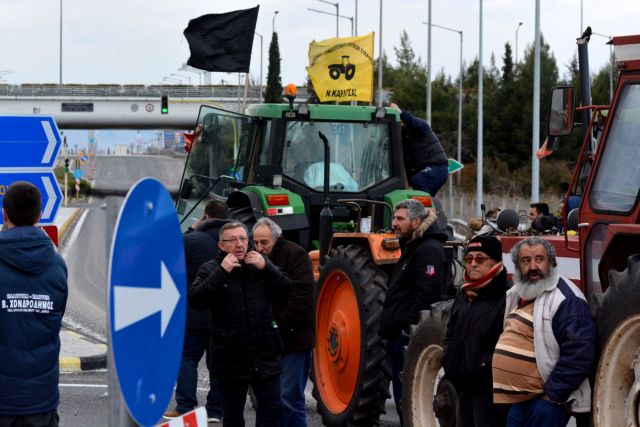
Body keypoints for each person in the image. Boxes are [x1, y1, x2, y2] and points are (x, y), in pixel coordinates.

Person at [188, 221, 293, 427]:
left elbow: (288, 288)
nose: (239, 244)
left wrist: (267, 268)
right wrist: (221, 271)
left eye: (243, 238)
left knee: (271, 410)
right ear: (221, 245)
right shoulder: (211, 268)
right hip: (230, 356)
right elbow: (195, 300)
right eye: (232, 240)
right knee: (233, 416)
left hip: (264, 354)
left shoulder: (260, 263)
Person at [493, 236, 596, 427]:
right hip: (520, 401)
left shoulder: (566, 299)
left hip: (546, 402)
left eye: (539, 259)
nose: (533, 267)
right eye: (526, 261)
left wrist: (552, 395)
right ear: (518, 265)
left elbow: (580, 353)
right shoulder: (516, 294)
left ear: (551, 262)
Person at [0, 181, 68, 426]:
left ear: (4, 213)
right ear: (39, 215)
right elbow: (55, 320)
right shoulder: (58, 266)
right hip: (41, 399)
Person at [378, 198, 448, 423]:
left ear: (416, 222)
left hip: (407, 337)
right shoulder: (413, 247)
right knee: (401, 398)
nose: (394, 223)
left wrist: (406, 330)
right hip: (400, 334)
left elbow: (429, 295)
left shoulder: (429, 250)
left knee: (406, 399)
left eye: (400, 219)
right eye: (394, 218)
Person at [164, 200, 228, 422]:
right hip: (222, 315)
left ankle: (185, 406)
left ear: (206, 216)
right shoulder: (232, 241)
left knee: (188, 358)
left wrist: (193, 228)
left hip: (194, 313)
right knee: (217, 363)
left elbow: (169, 256)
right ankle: (216, 410)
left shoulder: (191, 240)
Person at [251, 218, 315, 427]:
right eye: (256, 242)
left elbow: (302, 297)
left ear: (276, 239)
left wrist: (278, 327)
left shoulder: (295, 255)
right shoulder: (255, 260)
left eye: (264, 243)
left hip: (293, 339)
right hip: (268, 340)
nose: (259, 248)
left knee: (290, 398)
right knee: (272, 400)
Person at [442, 235, 510, 427]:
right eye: (468, 259)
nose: (472, 264)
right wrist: (449, 359)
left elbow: (507, 344)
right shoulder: (464, 293)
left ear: (496, 262)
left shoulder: (506, 297)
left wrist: (481, 368)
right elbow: (450, 334)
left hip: (489, 392)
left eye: (480, 259)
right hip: (462, 387)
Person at [390, 103, 449, 196]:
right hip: (428, 171)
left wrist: (400, 113)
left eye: (401, 121)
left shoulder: (420, 125)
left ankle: (424, 209)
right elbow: (407, 162)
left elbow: (415, 123)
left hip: (438, 168)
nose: (399, 125)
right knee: (421, 193)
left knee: (418, 181)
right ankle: (429, 208)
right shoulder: (404, 138)